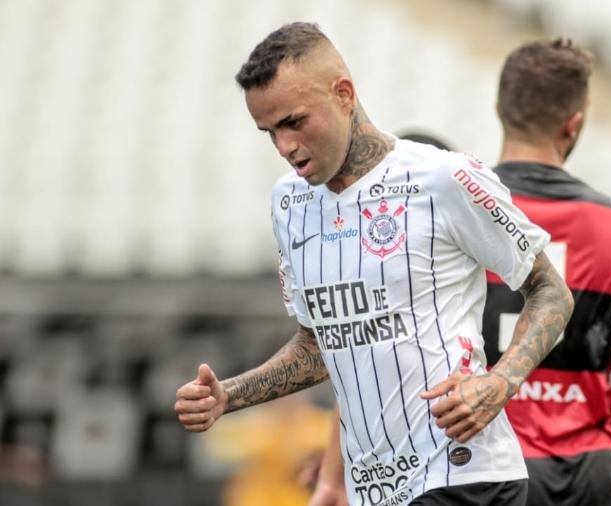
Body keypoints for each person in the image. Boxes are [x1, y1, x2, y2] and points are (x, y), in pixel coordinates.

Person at [173, 22, 573, 506]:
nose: (284, 147)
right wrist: (228, 396)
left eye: (295, 122)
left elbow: (552, 291)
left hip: (465, 477)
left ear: (344, 94)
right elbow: (321, 345)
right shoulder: (288, 204)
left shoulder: (444, 178)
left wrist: (500, 381)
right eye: (269, 131)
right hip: (374, 492)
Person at [481, 39, 611, 506]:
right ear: (573, 123)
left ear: (499, 108)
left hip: (483, 469)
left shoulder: (456, 215)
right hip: (587, 477)